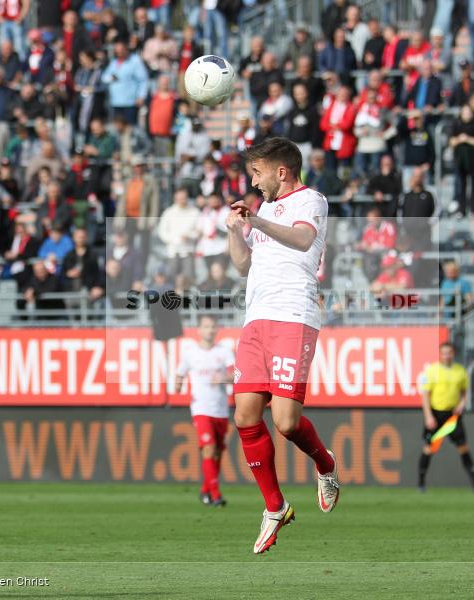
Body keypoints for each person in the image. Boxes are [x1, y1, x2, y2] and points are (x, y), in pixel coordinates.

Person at [225, 137, 339, 554]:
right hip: (255, 318)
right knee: (244, 416)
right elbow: (242, 265)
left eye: (257, 173)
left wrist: (255, 220)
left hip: (294, 316)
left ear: (281, 171)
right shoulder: (264, 211)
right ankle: (275, 506)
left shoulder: (313, 200)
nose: (253, 182)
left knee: (287, 423)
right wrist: (236, 231)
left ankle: (325, 464)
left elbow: (303, 240)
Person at [175, 315, 235, 508]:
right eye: (206, 327)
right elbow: (179, 373)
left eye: (212, 326)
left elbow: (235, 374)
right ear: (199, 330)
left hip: (221, 409)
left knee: (216, 453)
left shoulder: (224, 352)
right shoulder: (191, 353)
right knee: (208, 448)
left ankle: (205, 490)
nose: (210, 330)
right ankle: (216, 495)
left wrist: (224, 379)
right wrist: (177, 386)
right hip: (201, 408)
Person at [418, 341, 474, 493]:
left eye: (449, 352)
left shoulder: (460, 371)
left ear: (453, 353)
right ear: (440, 354)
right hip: (436, 415)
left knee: (463, 447)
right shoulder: (432, 371)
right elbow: (425, 395)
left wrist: (463, 403)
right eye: (444, 353)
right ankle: (421, 483)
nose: (447, 355)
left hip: (453, 416)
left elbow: (464, 392)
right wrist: (428, 416)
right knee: (429, 448)